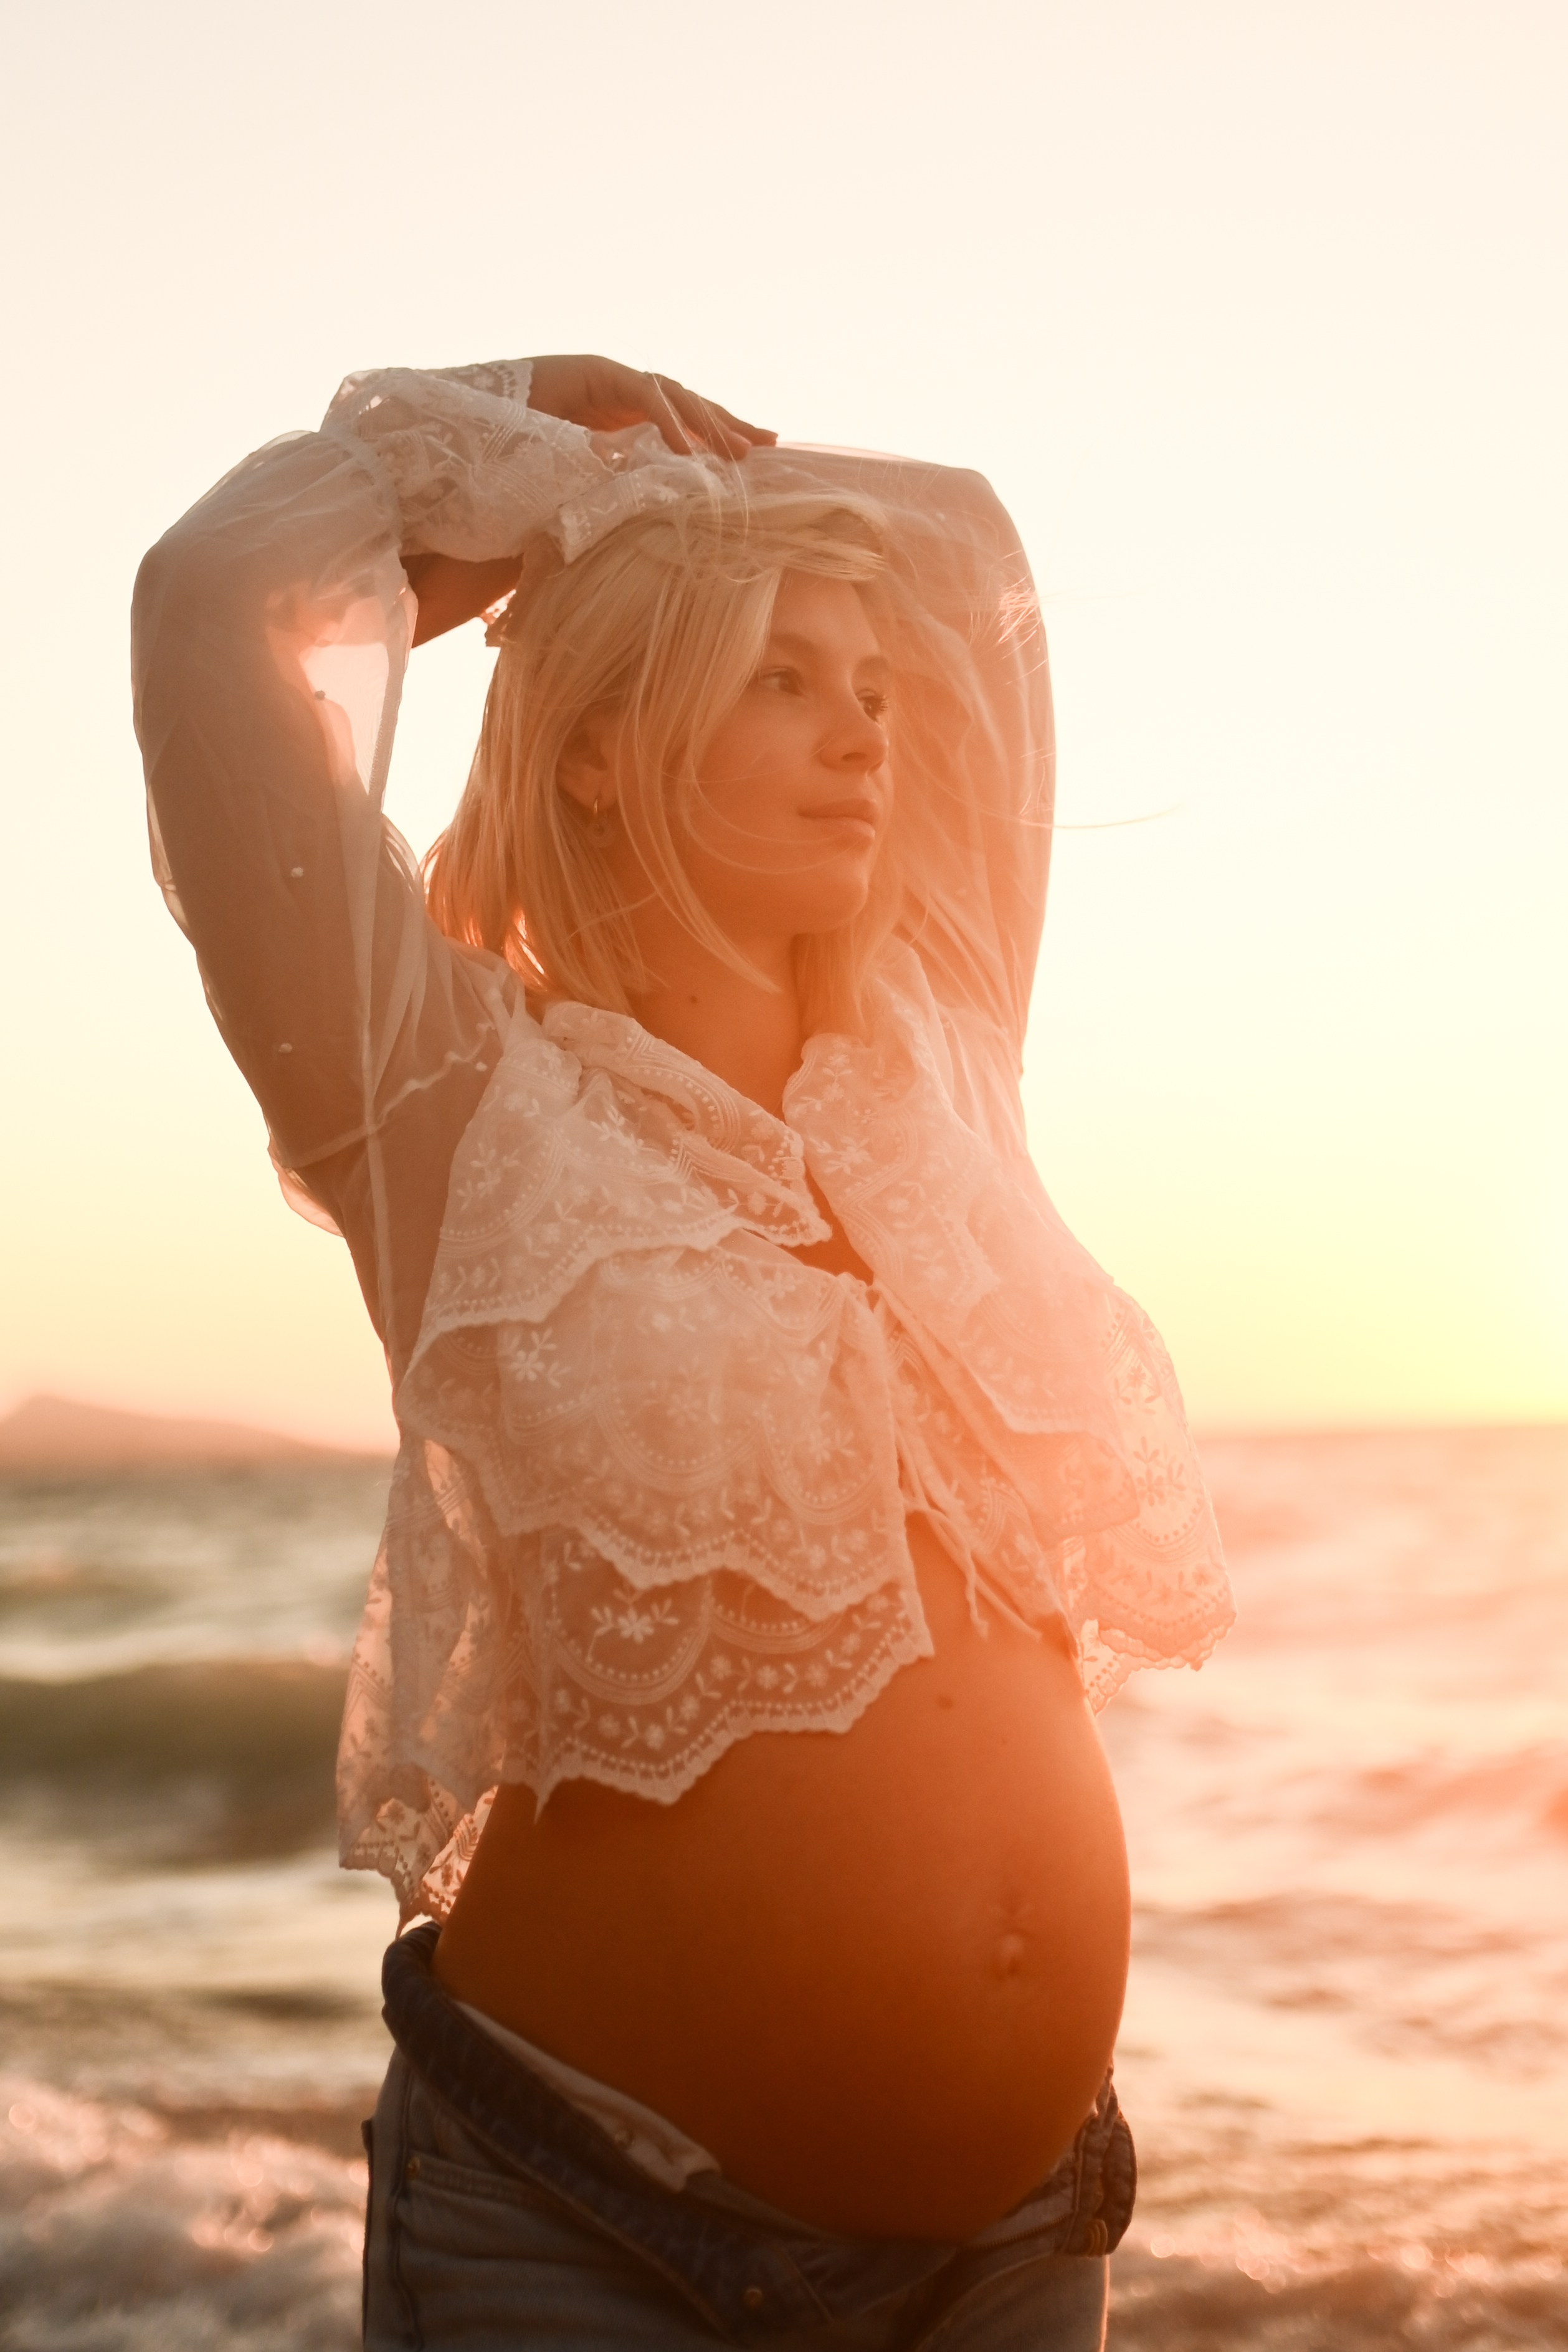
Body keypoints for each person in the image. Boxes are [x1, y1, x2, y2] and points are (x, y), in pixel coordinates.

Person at [132, 353, 1234, 2350]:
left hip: (1027, 2242)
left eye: (870, 687)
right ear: (598, 749)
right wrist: (521, 436)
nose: (864, 740)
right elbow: (209, 616)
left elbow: (962, 548)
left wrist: (683, 498)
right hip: (595, 2237)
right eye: (779, 683)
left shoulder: (943, 1057)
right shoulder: (450, 1106)